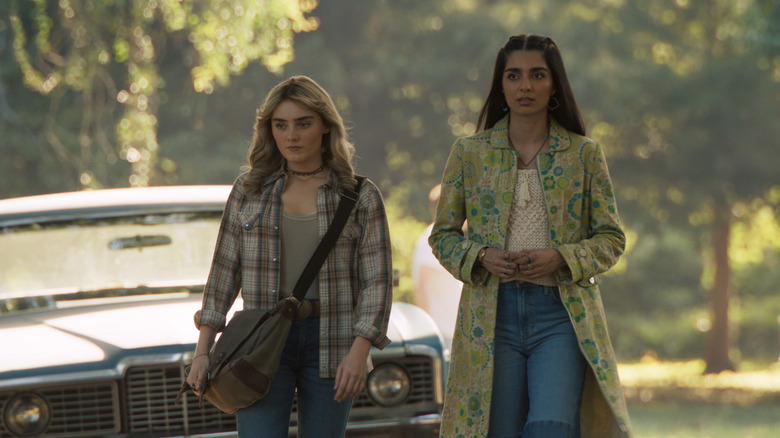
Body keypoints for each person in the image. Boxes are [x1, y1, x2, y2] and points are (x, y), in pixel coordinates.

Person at [429, 34, 633, 437]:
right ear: (501, 85)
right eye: (514, 76)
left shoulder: (584, 154)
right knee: (496, 429)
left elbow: (611, 239)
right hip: (490, 317)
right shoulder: (469, 153)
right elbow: (444, 237)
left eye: (537, 75)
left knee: (550, 428)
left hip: (561, 314)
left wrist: (561, 256)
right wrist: (481, 255)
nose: (525, 86)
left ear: (554, 84)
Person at [186, 75, 393, 438]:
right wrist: (203, 352)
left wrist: (360, 352)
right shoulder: (249, 190)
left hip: (333, 340)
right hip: (261, 342)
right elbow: (222, 275)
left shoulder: (360, 196)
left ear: (325, 126)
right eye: (281, 125)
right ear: (270, 130)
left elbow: (377, 283)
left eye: (303, 124)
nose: (291, 136)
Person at [411, 184, 463, 350]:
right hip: (441, 334)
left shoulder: (449, 239)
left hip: (452, 331)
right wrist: (427, 333)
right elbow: (422, 288)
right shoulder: (431, 241)